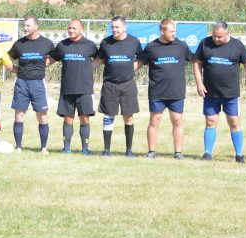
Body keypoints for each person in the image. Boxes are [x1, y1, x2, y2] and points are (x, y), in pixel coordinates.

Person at [192, 21, 246, 162]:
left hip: (230, 94)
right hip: (210, 93)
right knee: (210, 121)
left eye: (220, 37)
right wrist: (199, 83)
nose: (216, 39)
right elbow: (197, 63)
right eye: (214, 36)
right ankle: (207, 153)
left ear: (228, 33)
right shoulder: (205, 43)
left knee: (234, 122)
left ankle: (239, 154)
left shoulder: (237, 45)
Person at [136, 18, 194, 159]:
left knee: (177, 120)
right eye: (171, 31)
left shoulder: (181, 46)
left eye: (175, 31)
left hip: (176, 91)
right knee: (154, 120)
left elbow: (195, 60)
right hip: (157, 91)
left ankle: (178, 152)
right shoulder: (151, 47)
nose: (174, 34)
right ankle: (151, 151)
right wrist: (122, 70)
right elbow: (139, 63)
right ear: (162, 31)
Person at [95, 16, 142, 157]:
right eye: (112, 27)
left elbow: (142, 59)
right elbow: (99, 60)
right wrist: (84, 70)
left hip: (127, 84)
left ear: (124, 27)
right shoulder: (106, 42)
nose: (114, 30)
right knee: (108, 116)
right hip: (110, 84)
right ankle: (106, 150)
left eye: (117, 27)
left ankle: (129, 150)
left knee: (128, 117)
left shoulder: (134, 42)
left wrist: (130, 69)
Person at [48, 19, 97, 154]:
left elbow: (100, 59)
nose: (71, 30)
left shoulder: (90, 45)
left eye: (74, 28)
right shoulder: (62, 45)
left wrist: (89, 69)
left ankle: (85, 149)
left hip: (85, 88)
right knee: (68, 118)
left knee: (84, 118)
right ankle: (67, 148)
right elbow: (50, 60)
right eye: (69, 28)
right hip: (67, 88)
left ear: (81, 29)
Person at [8, 16, 55, 153]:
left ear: (36, 27)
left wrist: (44, 64)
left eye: (28, 26)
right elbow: (8, 59)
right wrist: (15, 70)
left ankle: (44, 148)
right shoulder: (19, 44)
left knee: (42, 116)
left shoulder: (46, 43)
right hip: (21, 83)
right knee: (19, 116)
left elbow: (54, 57)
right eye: (24, 25)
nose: (25, 28)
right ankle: (18, 147)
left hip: (38, 83)